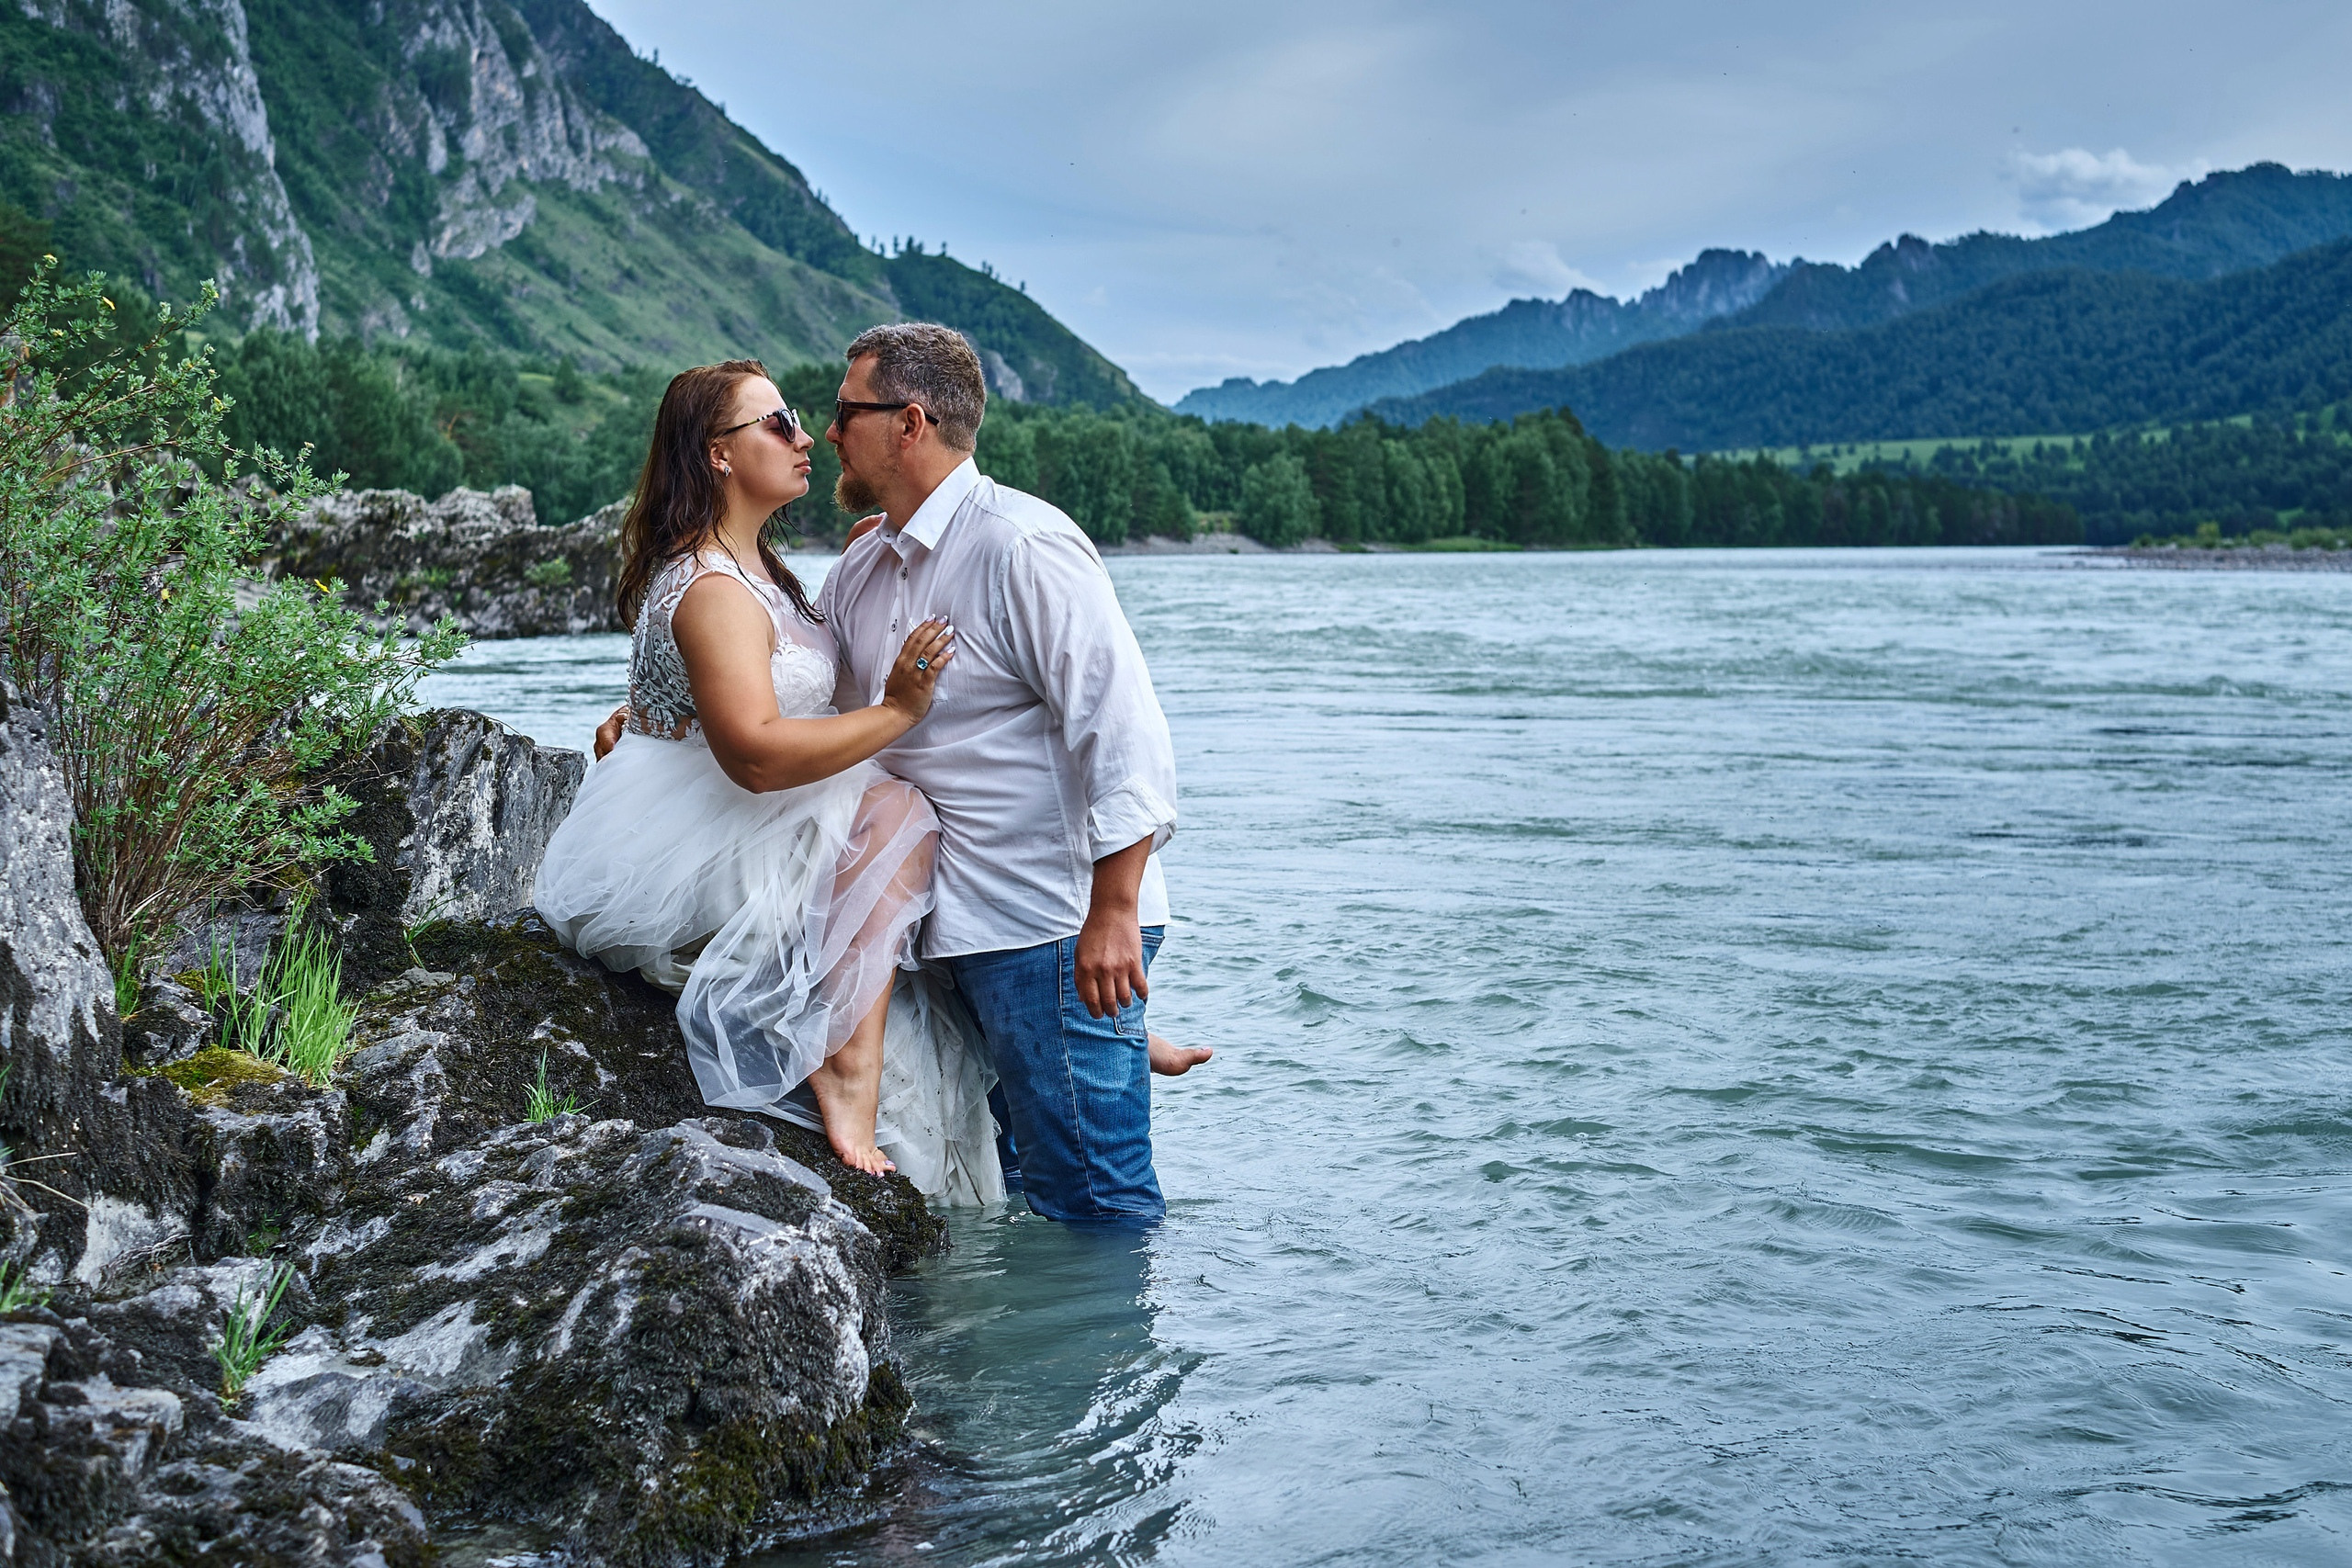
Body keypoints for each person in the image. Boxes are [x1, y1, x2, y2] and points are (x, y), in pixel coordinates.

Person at [534, 359, 1000, 1199]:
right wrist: (897, 713)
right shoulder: (712, 583)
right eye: (778, 422)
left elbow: (737, 682)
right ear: (718, 454)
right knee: (899, 806)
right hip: (709, 833)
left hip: (731, 810)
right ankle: (845, 1060)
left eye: (799, 418)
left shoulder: (765, 575)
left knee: (918, 822)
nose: (805, 435)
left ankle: (1089, 1009)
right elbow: (751, 756)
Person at [813, 322, 1192, 1224]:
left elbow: (1125, 733)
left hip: (1052, 931)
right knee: (1018, 1195)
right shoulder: (864, 563)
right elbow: (797, 693)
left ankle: (1109, 1359)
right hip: (953, 934)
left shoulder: (1021, 546)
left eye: (843, 413)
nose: (829, 434)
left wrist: (1112, 914)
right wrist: (667, 715)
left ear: (908, 424)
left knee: (1094, 1204)